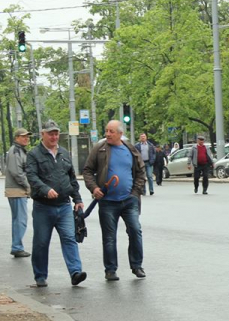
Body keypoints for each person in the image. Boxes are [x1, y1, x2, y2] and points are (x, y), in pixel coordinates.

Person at [25, 120, 86, 287]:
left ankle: (75, 272)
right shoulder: (34, 154)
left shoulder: (64, 153)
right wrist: (45, 189)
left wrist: (78, 199)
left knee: (69, 238)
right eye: (50, 133)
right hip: (43, 207)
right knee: (41, 242)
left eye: (56, 133)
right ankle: (40, 276)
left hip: (64, 206)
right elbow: (31, 176)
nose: (54, 136)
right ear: (42, 134)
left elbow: (71, 179)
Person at [83, 120, 147, 281]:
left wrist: (135, 192)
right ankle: (110, 270)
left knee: (135, 230)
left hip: (129, 200)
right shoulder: (100, 149)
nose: (108, 134)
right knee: (109, 237)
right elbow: (88, 171)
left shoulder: (130, 149)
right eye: (106, 131)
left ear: (120, 133)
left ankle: (137, 266)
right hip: (107, 202)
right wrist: (94, 188)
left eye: (111, 131)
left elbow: (141, 172)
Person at [5, 128, 33, 258]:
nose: (26, 138)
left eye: (27, 136)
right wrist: (28, 186)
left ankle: (17, 246)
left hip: (17, 190)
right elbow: (17, 173)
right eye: (23, 136)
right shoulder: (15, 151)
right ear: (16, 138)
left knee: (18, 219)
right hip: (17, 190)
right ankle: (17, 247)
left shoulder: (19, 150)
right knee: (20, 220)